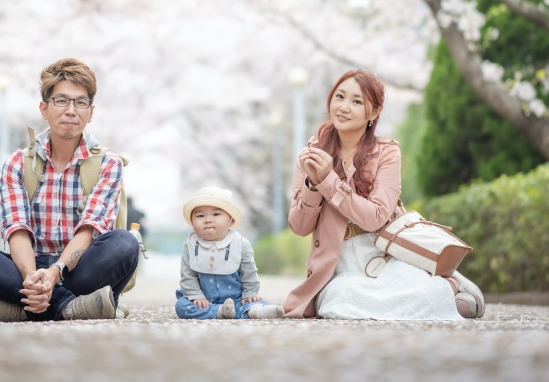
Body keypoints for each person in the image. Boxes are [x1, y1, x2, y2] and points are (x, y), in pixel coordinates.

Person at [0, 58, 140, 322]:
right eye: (61, 101)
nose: (71, 110)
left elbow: (90, 228)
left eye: (80, 102)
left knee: (124, 243)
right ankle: (68, 306)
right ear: (44, 108)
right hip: (25, 268)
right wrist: (32, 278)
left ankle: (22, 308)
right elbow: (17, 229)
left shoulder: (108, 163)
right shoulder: (17, 163)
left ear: (90, 112)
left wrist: (54, 274)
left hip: (79, 269)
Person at [283, 69, 485, 320]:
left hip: (386, 251)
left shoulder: (386, 153)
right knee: (340, 300)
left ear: (374, 112)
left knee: (426, 294)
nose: (344, 107)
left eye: (357, 101)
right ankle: (445, 292)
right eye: (340, 97)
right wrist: (313, 185)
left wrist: (328, 181)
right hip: (339, 263)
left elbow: (376, 217)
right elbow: (299, 226)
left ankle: (450, 285)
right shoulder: (311, 156)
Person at [175, 186, 285, 320]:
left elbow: (249, 272)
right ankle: (220, 311)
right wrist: (196, 296)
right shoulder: (190, 245)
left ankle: (255, 311)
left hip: (237, 299)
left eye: (216, 214)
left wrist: (249, 293)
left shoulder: (240, 243)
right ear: (192, 223)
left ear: (231, 221)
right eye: (200, 216)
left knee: (252, 302)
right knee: (182, 306)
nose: (208, 219)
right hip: (204, 301)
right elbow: (188, 276)